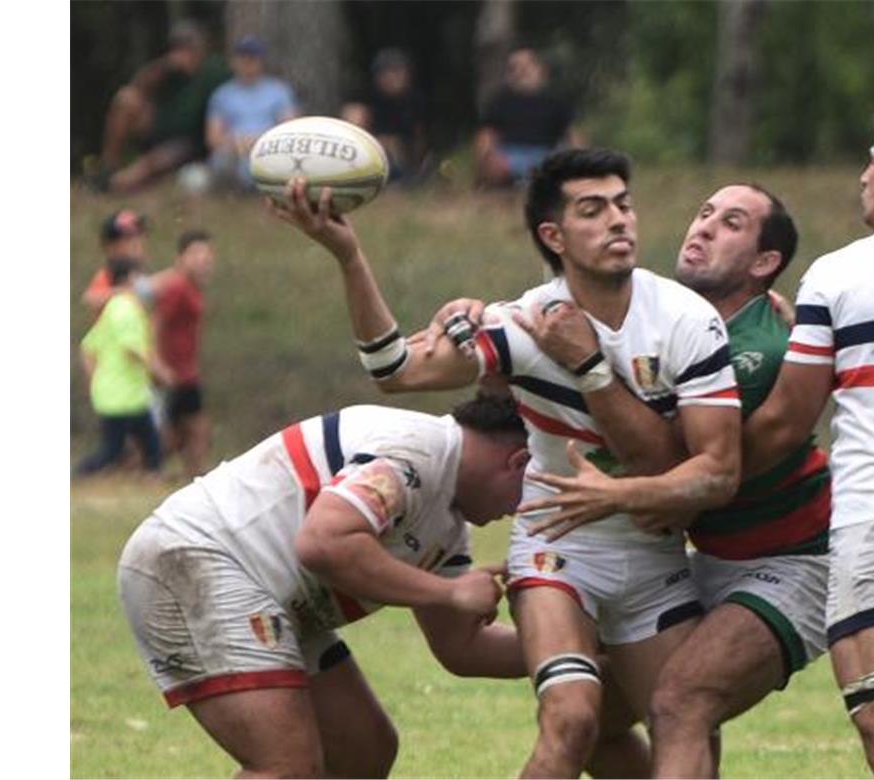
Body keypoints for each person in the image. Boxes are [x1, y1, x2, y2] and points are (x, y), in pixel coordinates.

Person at [532, 93, 874, 778]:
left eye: (873, 162)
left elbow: (785, 424)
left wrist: (685, 483)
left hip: (869, 531)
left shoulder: (840, 274)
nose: (863, 178)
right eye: (704, 215)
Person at [268, 148, 743, 778]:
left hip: (655, 563)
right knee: (571, 720)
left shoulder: (686, 320)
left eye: (623, 205)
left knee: (685, 725)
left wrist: (590, 371)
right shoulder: (521, 325)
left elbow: (716, 472)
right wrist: (349, 255)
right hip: (557, 552)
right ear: (555, 236)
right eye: (593, 210)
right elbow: (394, 370)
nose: (618, 221)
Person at [454, 183, 830, 777]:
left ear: (764, 264)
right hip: (706, 558)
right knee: (590, 724)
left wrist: (612, 485)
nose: (702, 227)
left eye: (731, 223)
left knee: (681, 702)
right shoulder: (677, 321)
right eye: (702, 212)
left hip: (790, 559)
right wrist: (481, 324)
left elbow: (680, 468)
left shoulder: (754, 350)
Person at [119, 395, 523, 777]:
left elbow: (463, 649)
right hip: (194, 558)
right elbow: (324, 543)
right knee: (285, 766)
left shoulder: (448, 523)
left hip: (258, 590)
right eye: (533, 492)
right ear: (519, 462)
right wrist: (450, 592)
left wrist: (573, 645)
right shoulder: (415, 453)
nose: (517, 511)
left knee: (362, 751)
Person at [94, 20, 231, 193]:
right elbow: (138, 85)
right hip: (159, 127)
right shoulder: (167, 70)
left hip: (190, 141)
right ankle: (109, 167)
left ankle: (116, 184)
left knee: (151, 163)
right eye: (178, 48)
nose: (183, 55)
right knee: (126, 99)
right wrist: (165, 66)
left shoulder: (214, 71)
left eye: (188, 49)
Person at [76, 257, 169, 477]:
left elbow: (88, 346)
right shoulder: (124, 310)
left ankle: (150, 479)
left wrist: (94, 381)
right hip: (122, 396)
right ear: (130, 279)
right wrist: (159, 371)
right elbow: (132, 349)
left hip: (124, 394)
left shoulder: (116, 307)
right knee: (114, 450)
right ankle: (77, 476)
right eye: (140, 277)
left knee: (149, 444)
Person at [143, 230, 215, 478]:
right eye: (195, 253)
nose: (202, 259)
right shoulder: (177, 287)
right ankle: (192, 478)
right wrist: (156, 364)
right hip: (174, 373)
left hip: (186, 372)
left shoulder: (191, 286)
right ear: (180, 257)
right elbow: (156, 323)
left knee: (182, 434)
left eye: (206, 253)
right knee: (192, 432)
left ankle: (156, 472)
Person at [475, 48, 580, 188]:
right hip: (509, 155)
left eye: (526, 67)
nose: (521, 72)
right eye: (515, 68)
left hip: (546, 154)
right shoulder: (500, 102)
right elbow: (487, 135)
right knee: (495, 165)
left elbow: (573, 135)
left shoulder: (556, 103)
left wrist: (581, 161)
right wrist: (485, 157)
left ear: (540, 70)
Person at [206, 35, 298, 192]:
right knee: (222, 163)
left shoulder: (279, 91)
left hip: (269, 149)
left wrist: (259, 142)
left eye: (252, 58)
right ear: (234, 61)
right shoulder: (222, 94)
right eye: (243, 58)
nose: (247, 63)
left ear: (261, 60)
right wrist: (235, 144)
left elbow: (292, 129)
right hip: (234, 151)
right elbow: (213, 138)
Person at [341, 48, 429, 184]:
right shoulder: (366, 97)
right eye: (387, 73)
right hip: (371, 151)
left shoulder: (414, 100)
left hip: (402, 155)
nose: (393, 78)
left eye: (397, 72)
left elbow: (418, 137)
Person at [81, 209, 151, 314]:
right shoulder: (108, 275)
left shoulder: (139, 274)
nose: (137, 243)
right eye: (128, 238)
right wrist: (128, 291)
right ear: (110, 247)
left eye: (139, 236)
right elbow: (91, 299)